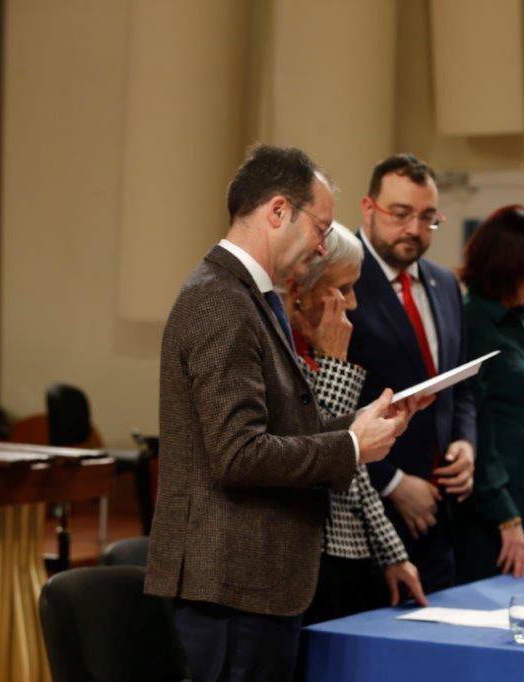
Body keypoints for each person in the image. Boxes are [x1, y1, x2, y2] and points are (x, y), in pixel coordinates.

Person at [145, 144, 430, 680]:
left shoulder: (249, 295)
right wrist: (349, 448)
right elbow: (239, 455)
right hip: (231, 584)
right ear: (278, 211)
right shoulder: (220, 299)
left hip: (256, 582)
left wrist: (364, 425)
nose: (323, 245)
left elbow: (285, 428)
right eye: (321, 227)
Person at [278, 221, 427, 621]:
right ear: (295, 292)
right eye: (343, 289)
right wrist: (334, 362)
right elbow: (324, 450)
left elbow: (355, 461)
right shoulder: (284, 353)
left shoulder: (316, 347)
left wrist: (393, 553)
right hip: (309, 552)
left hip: (349, 547)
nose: (354, 303)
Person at [348, 153, 477, 593]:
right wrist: (394, 484)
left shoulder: (445, 284)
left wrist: (465, 443)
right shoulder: (340, 278)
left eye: (427, 218)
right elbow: (325, 407)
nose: (415, 230)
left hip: (443, 510)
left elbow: (461, 385)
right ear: (369, 208)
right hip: (368, 512)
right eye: (400, 214)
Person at [454, 205, 524, 583]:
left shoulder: (518, 321)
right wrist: (506, 516)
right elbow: (477, 424)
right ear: (511, 265)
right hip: (498, 508)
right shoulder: (473, 324)